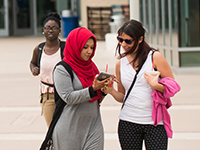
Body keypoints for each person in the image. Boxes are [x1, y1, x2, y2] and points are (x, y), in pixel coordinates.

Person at [103, 19, 180, 150]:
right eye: (120, 39)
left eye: (128, 41)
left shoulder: (155, 57)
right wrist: (110, 91)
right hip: (128, 122)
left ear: (140, 39)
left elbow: (173, 87)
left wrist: (155, 85)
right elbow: (122, 96)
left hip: (154, 123)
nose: (123, 44)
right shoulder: (120, 64)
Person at [40, 27, 112, 150]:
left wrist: (104, 90)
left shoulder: (91, 67)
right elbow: (68, 97)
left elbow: (94, 98)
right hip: (69, 129)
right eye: (85, 47)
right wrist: (93, 89)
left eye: (92, 47)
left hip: (93, 127)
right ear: (75, 46)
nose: (89, 51)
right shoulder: (62, 69)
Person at [29, 12, 65, 127]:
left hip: (65, 94)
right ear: (43, 30)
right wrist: (34, 69)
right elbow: (32, 62)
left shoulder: (65, 48)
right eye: (47, 28)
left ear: (59, 30)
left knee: (65, 129)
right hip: (48, 95)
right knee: (53, 129)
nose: (50, 31)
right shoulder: (39, 49)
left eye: (54, 28)